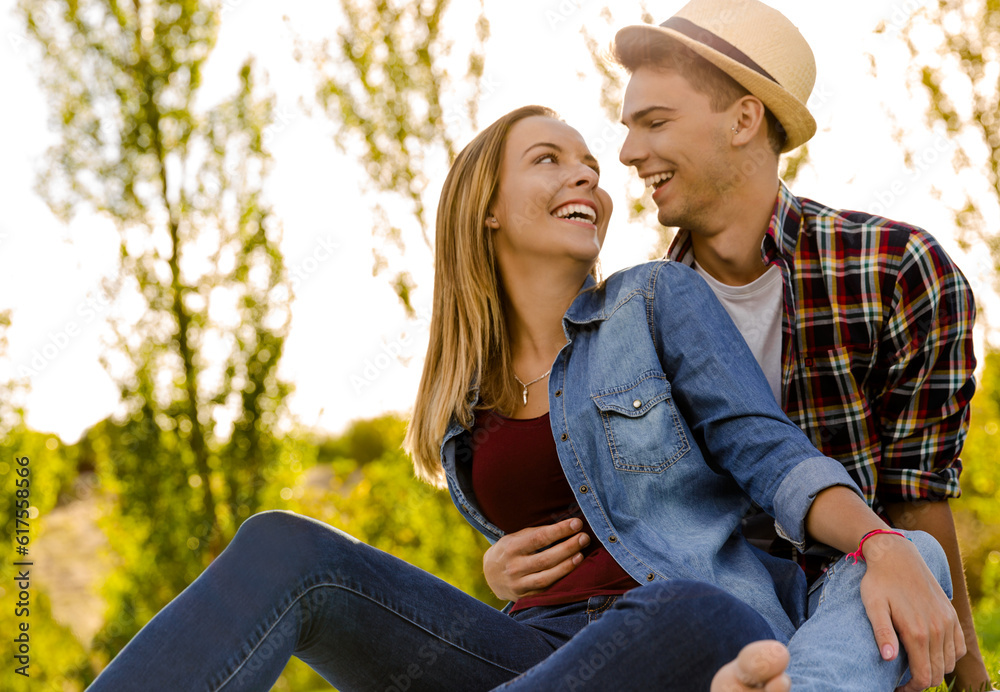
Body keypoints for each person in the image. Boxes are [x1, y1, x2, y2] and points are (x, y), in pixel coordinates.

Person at [87, 105, 959, 692]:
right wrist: (493, 568)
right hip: (535, 659)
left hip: (681, 632)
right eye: (551, 161)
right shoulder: (462, 402)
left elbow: (768, 455)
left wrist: (881, 540)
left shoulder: (652, 301)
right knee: (285, 545)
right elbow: (533, 549)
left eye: (591, 165)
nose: (588, 177)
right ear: (488, 209)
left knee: (690, 605)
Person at [484, 2, 991, 691]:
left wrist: (965, 677)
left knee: (914, 551)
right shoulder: (633, 321)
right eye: (629, 128)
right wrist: (499, 563)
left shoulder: (894, 269)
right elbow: (611, 510)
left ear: (745, 118)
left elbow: (913, 498)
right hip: (703, 621)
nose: (627, 154)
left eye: (655, 122)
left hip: (850, 618)